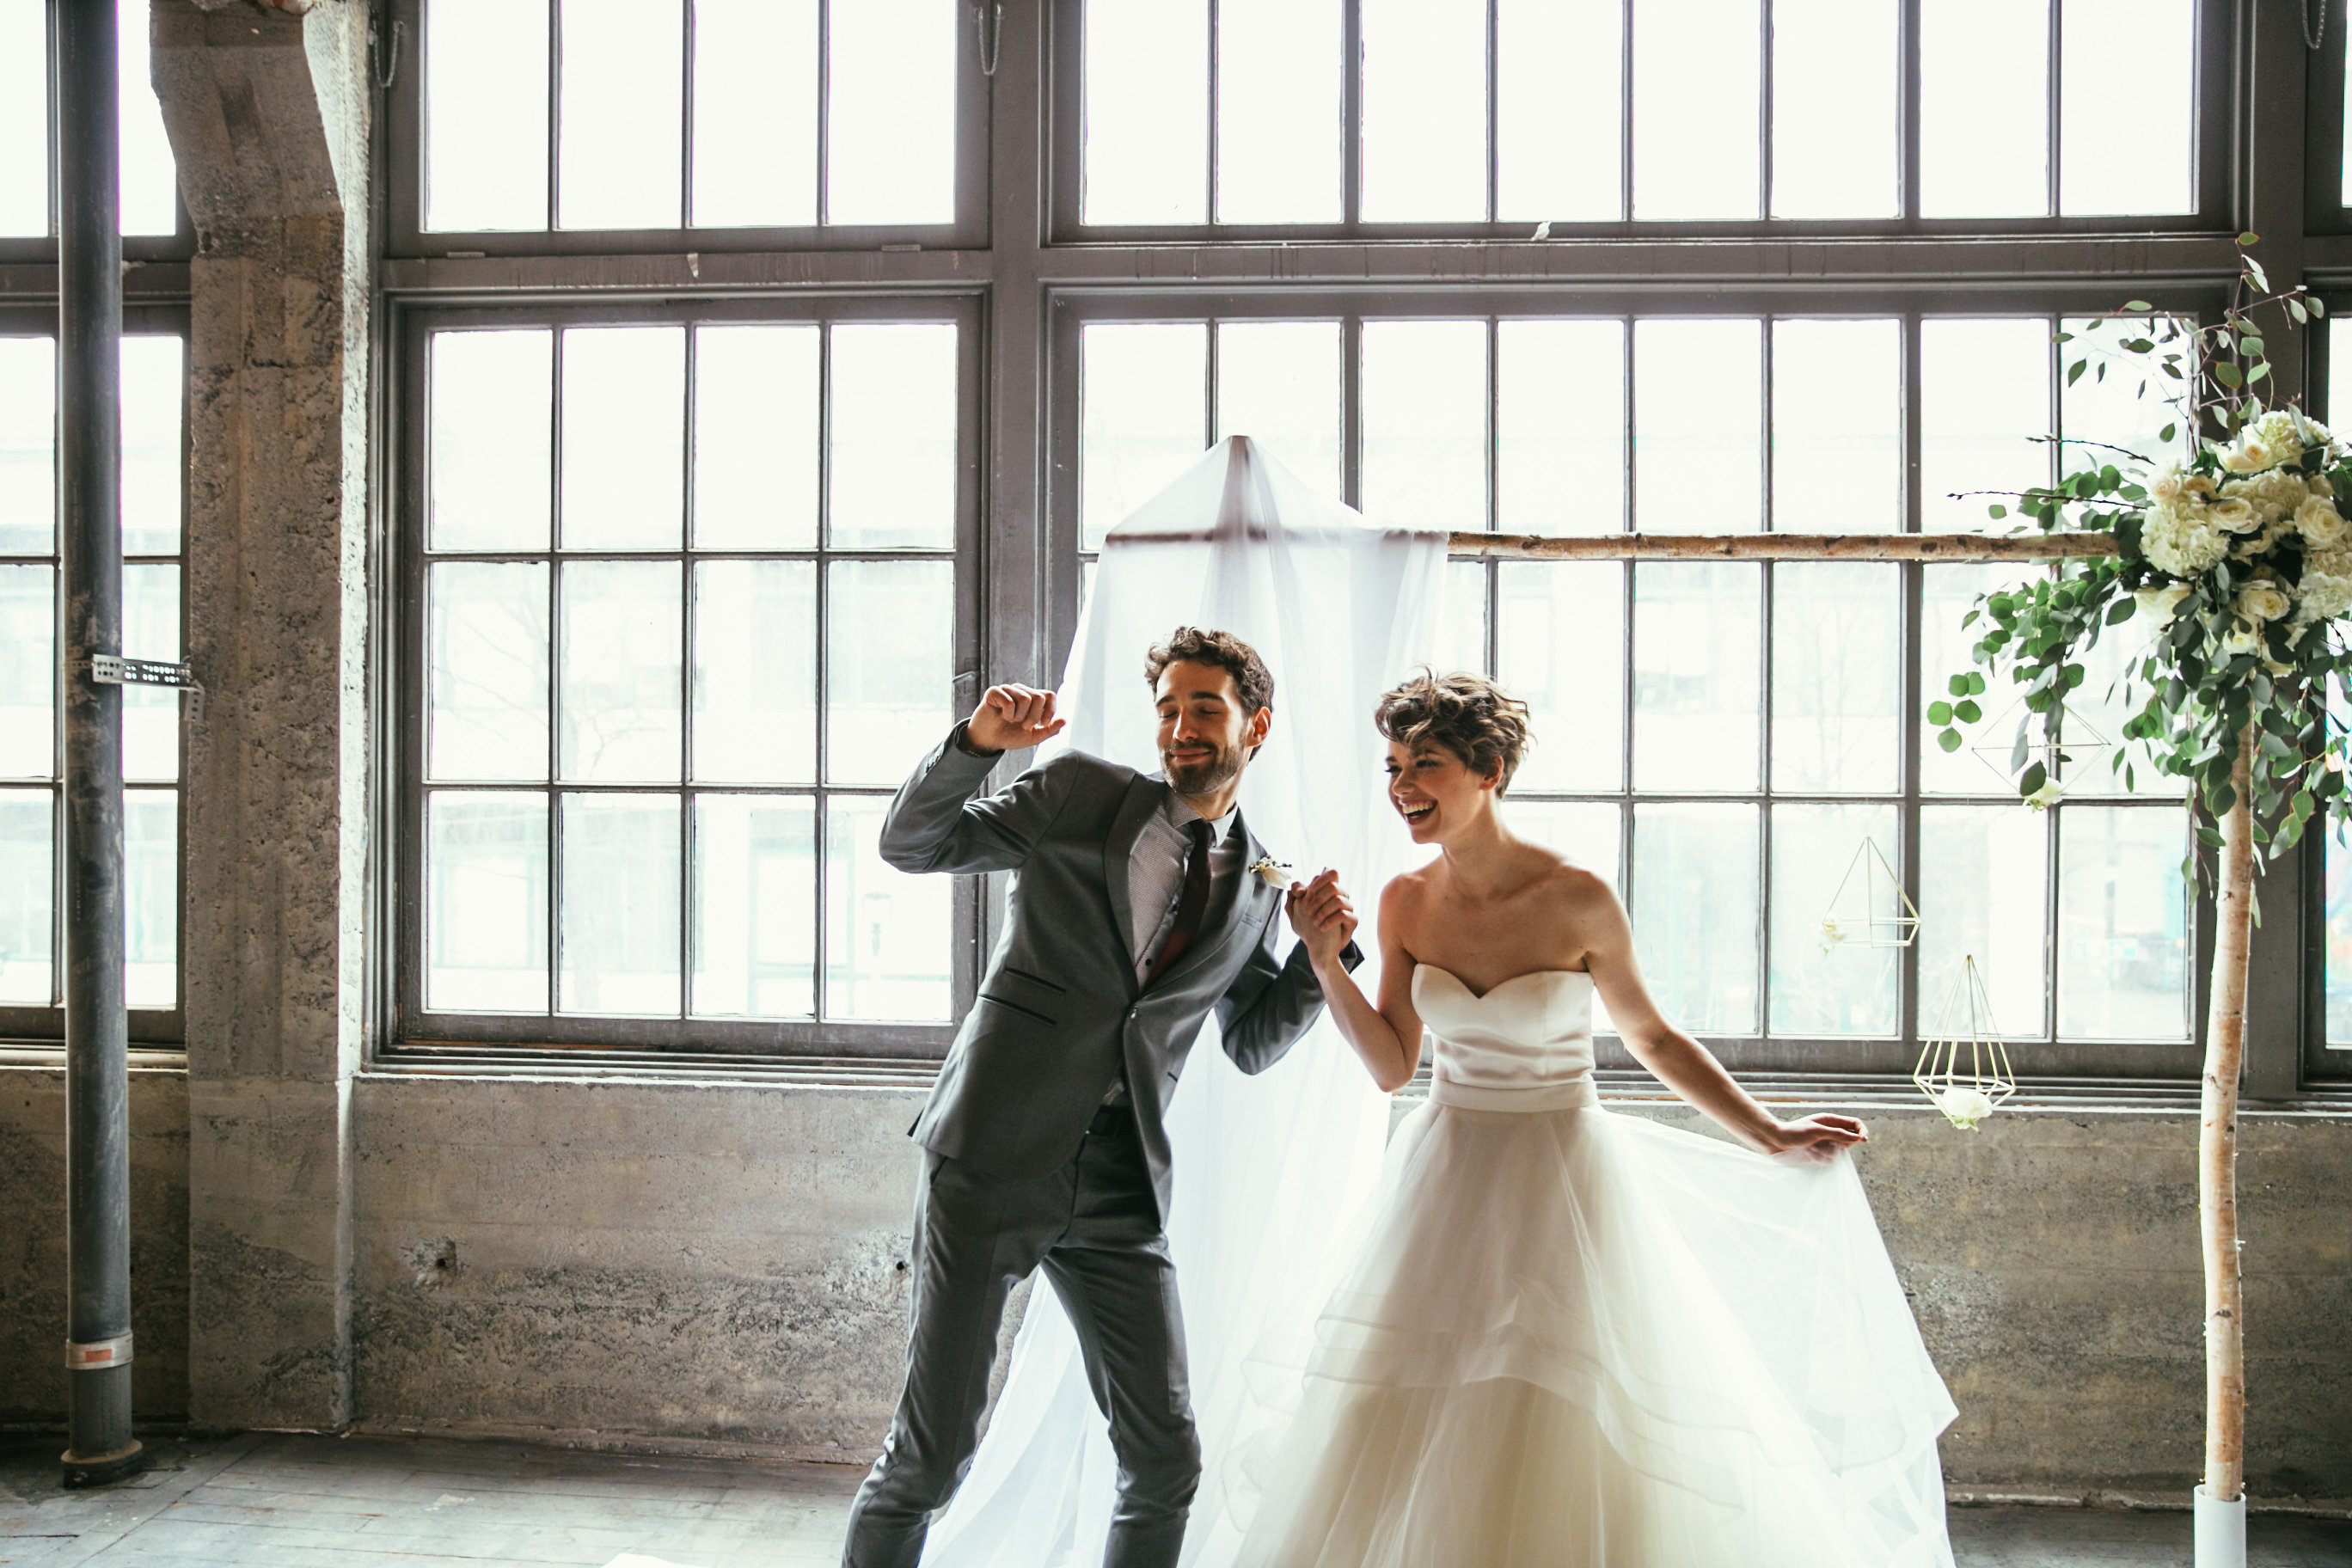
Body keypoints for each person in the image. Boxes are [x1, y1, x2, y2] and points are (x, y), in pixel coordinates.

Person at [1236, 670, 1958, 1568]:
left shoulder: (1576, 895)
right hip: (1447, 1183)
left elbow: (1652, 1037)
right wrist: (1322, 960)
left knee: (1571, 1407)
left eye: (1425, 765)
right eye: (1393, 767)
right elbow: (1392, 1067)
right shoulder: (1405, 901)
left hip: (1564, 1179)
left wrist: (1770, 1132)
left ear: (1490, 770)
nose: (1402, 787)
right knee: (1414, 1408)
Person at [842, 626, 1363, 1568]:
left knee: (1166, 1461)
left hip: (1123, 1181)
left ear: (1257, 725)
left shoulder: (1259, 881)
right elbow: (912, 844)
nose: (1181, 727)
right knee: (932, 1455)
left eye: (1205, 708)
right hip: (992, 1151)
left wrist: (1319, 964)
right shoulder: (1079, 792)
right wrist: (976, 746)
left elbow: (1249, 1042)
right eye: (1168, 709)